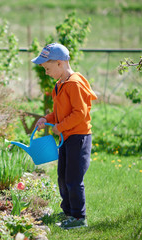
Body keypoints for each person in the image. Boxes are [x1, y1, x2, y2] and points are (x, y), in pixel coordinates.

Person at [32, 43, 97, 229]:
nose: (46, 72)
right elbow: (60, 113)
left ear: (60, 63)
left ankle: (79, 218)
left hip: (78, 137)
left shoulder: (74, 84)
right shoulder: (59, 85)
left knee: (73, 179)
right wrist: (47, 119)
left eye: (47, 68)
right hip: (67, 138)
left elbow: (80, 114)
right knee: (62, 176)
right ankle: (68, 211)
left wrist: (60, 127)